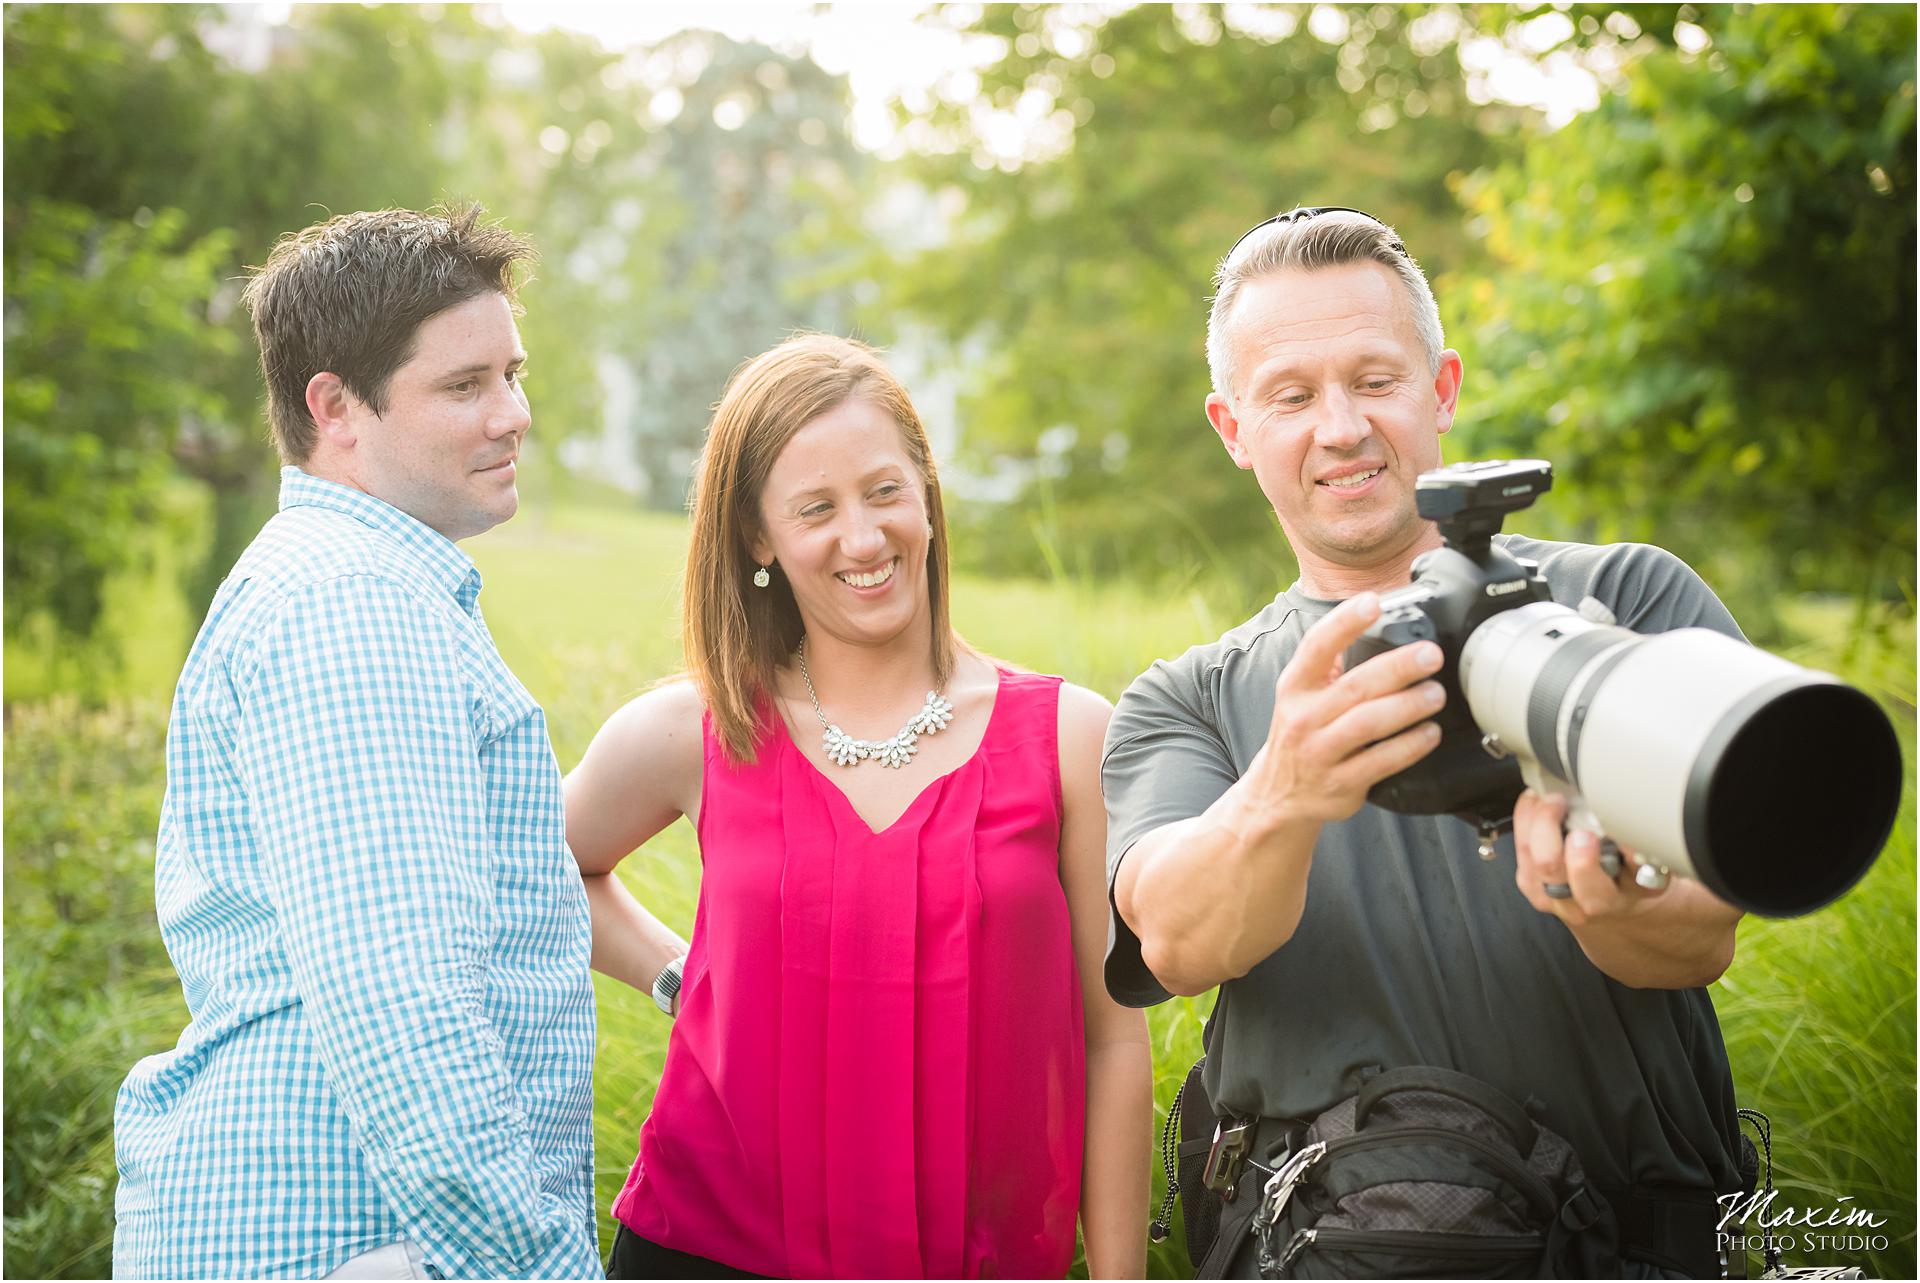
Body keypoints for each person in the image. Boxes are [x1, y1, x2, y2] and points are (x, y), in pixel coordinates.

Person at [1102, 208, 1747, 1278]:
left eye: (1375, 378)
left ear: (1441, 388)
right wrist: (1288, 786)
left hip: (1635, 1246)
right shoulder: (1189, 697)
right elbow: (1178, 939)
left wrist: (1598, 892)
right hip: (1327, 1249)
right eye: (1292, 395)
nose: (1343, 426)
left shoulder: (1624, 602)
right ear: (1232, 427)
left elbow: (1701, 935)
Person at [565, 333, 1153, 1279]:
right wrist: (675, 974)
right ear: (758, 537)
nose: (865, 537)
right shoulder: (694, 730)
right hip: (709, 1252)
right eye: (816, 509)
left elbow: (1115, 1040)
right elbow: (534, 863)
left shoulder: (1072, 739)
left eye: (885, 491)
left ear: (925, 489)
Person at [113, 206, 600, 1280]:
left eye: (513, 373)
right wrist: (538, 1269)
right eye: (464, 386)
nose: (513, 414)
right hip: (354, 1245)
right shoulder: (352, 605)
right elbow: (402, 1008)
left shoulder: (353, 584)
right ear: (334, 405)